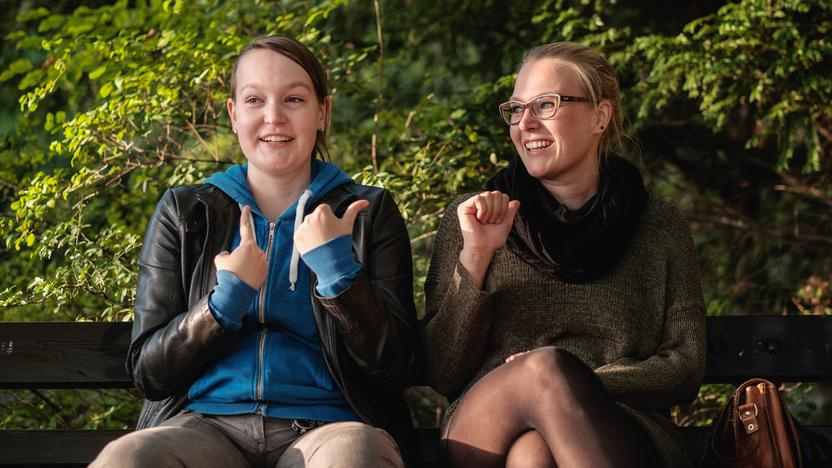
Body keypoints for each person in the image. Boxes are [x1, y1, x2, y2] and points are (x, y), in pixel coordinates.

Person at [91, 35, 420, 468]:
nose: (273, 117)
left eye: (294, 99)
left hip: (329, 428)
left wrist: (339, 274)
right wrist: (223, 303)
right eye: (254, 100)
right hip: (204, 426)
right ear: (233, 114)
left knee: (355, 454)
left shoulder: (366, 213)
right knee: (128, 457)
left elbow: (397, 367)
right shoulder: (187, 212)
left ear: (322, 112)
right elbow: (149, 373)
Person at [423, 42, 706, 468]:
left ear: (600, 117)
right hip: (484, 427)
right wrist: (477, 255)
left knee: (533, 454)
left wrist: (576, 382)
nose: (526, 123)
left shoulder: (659, 226)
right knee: (544, 375)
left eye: (546, 105)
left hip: (619, 425)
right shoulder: (473, 218)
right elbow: (442, 371)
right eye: (516, 109)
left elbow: (685, 364)